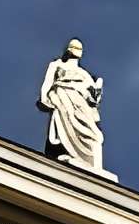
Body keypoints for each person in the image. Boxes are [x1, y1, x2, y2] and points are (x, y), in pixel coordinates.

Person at [37, 39, 108, 173]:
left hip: (80, 104)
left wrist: (96, 92)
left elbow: (92, 96)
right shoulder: (57, 65)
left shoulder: (84, 74)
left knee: (93, 133)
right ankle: (69, 152)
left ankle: (87, 159)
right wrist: (44, 98)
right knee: (67, 120)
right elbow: (47, 83)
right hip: (63, 97)